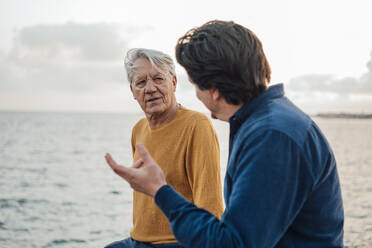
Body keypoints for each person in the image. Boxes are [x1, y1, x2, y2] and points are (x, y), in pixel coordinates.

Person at [105, 21, 344, 247]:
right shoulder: (266, 123)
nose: (196, 95)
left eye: (195, 83)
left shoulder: (272, 137)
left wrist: (159, 190)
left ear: (214, 89)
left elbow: (231, 244)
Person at [104, 48, 224, 248]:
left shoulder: (197, 125)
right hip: (137, 240)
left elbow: (211, 208)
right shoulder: (138, 130)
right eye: (141, 82)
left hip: (177, 242)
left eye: (158, 79)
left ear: (174, 83)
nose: (150, 89)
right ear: (133, 91)